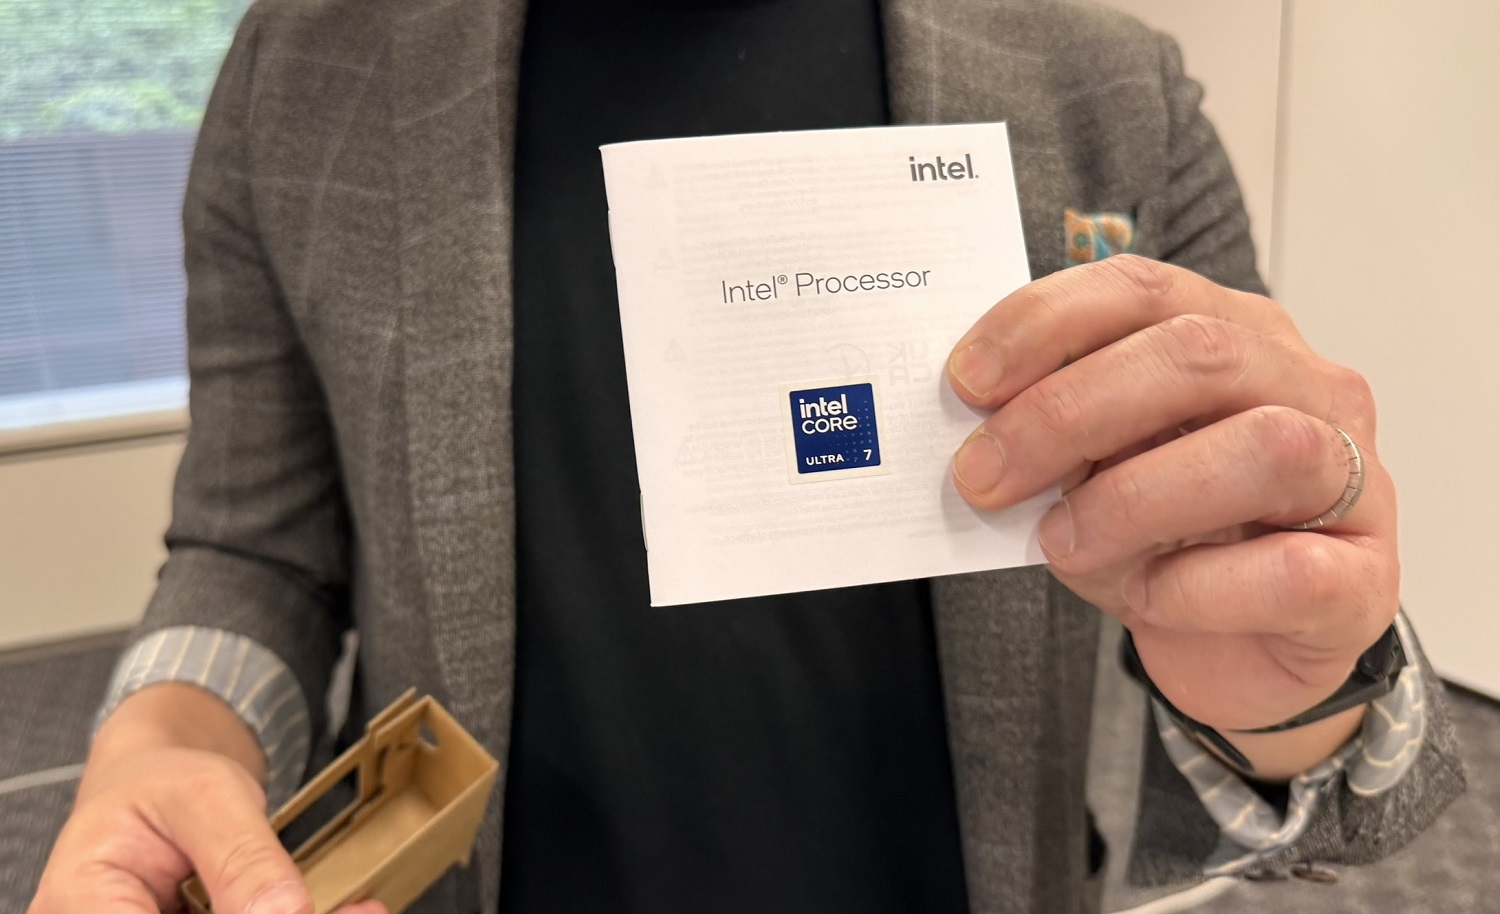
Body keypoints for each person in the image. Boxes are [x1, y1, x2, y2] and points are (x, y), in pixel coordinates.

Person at [27, 0, 1466, 913]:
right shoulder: (307, 74)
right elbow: (253, 547)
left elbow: (1268, 604)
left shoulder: (1104, 90)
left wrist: (1294, 689)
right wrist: (168, 738)